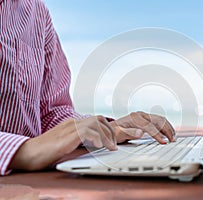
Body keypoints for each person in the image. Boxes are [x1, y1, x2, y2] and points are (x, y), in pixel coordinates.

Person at [0, 0, 176, 176]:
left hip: (31, 179)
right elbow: (34, 147)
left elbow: (50, 112)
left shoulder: (36, 12)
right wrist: (22, 150)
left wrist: (104, 129)